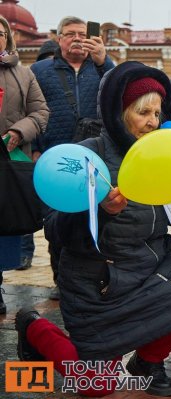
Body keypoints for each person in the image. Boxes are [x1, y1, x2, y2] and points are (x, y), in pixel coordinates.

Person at [15, 61, 171, 397]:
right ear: (118, 111)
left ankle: (147, 361)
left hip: (148, 267)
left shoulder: (163, 155)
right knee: (98, 387)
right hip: (97, 283)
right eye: (143, 112)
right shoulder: (85, 157)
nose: (153, 122)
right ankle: (33, 327)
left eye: (157, 112)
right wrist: (99, 210)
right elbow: (55, 231)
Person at [30, 16, 115, 300]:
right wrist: (35, 148)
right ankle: (60, 279)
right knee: (56, 221)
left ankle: (92, 277)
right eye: (70, 34)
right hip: (54, 158)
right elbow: (32, 110)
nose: (78, 38)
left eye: (83, 34)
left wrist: (104, 61)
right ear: (59, 38)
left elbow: (117, 94)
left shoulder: (101, 68)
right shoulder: (40, 70)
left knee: (94, 217)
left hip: (94, 156)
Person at [0, 15, 49, 310]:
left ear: (8, 37)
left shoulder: (24, 73)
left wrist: (19, 132)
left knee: (6, 222)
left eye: (0, 33)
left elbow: (41, 112)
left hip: (10, 159)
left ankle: (0, 285)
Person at [16, 39, 59, 272]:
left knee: (52, 209)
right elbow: (30, 115)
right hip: (33, 148)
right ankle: (25, 252)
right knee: (25, 203)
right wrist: (34, 147)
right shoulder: (33, 77)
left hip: (56, 147)